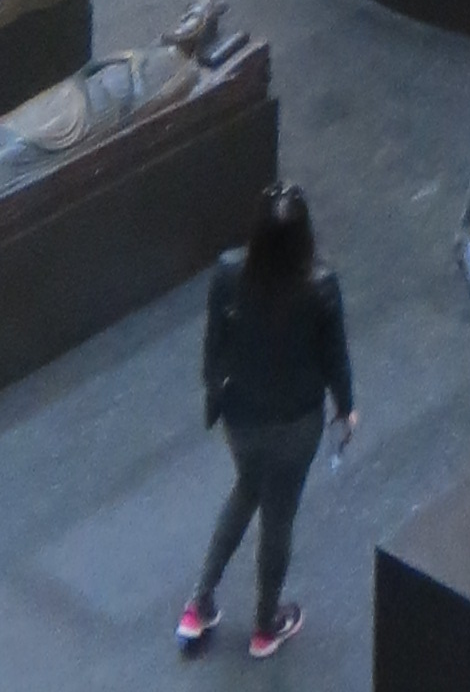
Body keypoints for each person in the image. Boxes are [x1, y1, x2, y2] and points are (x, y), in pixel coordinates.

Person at [181, 182, 353, 659]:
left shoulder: (228, 273)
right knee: (279, 517)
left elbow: (214, 347)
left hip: (242, 417)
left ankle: (199, 603)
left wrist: (216, 393)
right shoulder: (321, 286)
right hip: (297, 422)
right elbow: (335, 355)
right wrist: (347, 406)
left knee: (247, 489)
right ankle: (265, 624)